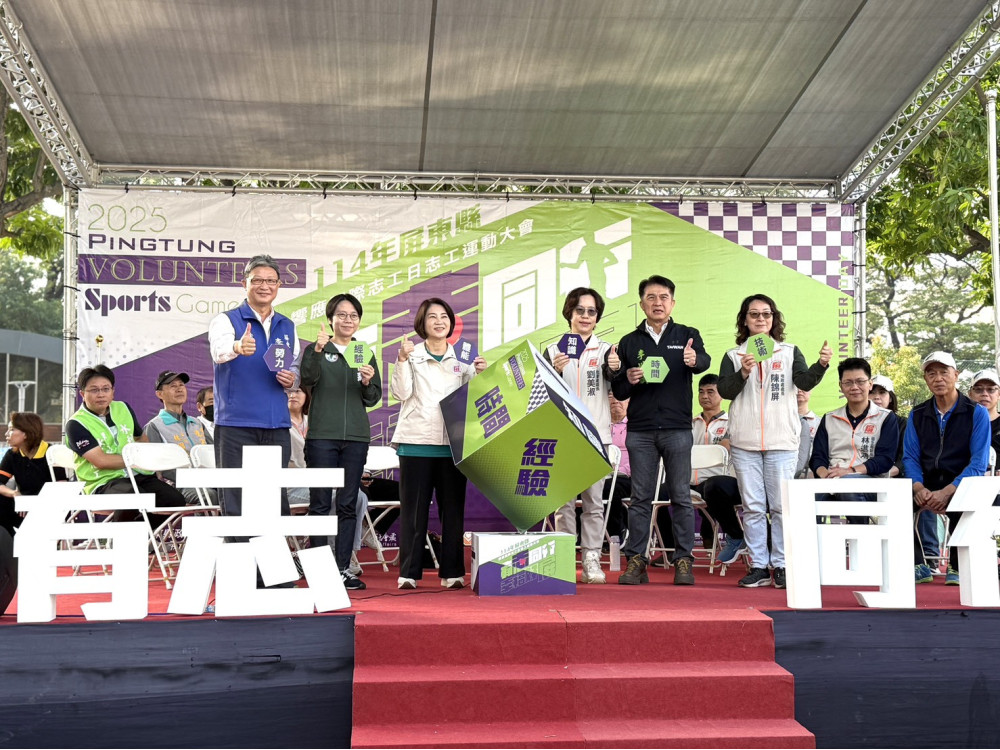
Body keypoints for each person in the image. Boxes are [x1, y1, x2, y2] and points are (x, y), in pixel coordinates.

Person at [717, 293, 831, 589]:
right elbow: (725, 391)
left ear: (773, 319)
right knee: (753, 506)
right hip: (744, 443)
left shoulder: (789, 352)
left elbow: (804, 381)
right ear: (744, 320)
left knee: (780, 506)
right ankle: (758, 566)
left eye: (766, 314)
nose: (760, 319)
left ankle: (781, 564)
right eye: (754, 314)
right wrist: (744, 371)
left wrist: (821, 364)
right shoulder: (733, 355)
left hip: (782, 442)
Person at [608, 275, 710, 586]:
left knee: (680, 496)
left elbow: (704, 362)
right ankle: (637, 560)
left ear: (672, 303)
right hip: (640, 430)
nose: (657, 303)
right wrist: (627, 377)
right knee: (640, 497)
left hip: (677, 428)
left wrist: (695, 359)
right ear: (641, 304)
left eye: (664, 297)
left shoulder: (687, 335)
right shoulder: (629, 341)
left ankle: (683, 560)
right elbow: (619, 389)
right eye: (651, 297)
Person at [390, 297, 485, 590]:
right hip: (416, 442)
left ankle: (453, 572)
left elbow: (475, 398)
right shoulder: (412, 355)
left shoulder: (463, 359)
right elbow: (400, 393)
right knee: (413, 512)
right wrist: (401, 360)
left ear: (451, 323)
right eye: (432, 317)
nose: (439, 321)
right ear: (422, 323)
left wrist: (482, 375)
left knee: (452, 511)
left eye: (444, 316)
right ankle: (409, 573)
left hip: (452, 445)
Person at [300, 293, 382, 591]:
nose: (348, 320)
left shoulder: (363, 351)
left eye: (353, 316)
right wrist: (318, 349)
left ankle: (343, 568)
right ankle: (318, 569)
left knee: (348, 503)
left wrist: (367, 381)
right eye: (342, 315)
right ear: (330, 319)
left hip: (356, 438)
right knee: (320, 503)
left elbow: (373, 398)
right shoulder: (318, 349)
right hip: (322, 436)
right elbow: (306, 380)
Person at [209, 255, 300, 521]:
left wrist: (291, 380)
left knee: (272, 499)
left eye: (271, 281)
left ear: (279, 285)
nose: (264, 286)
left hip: (276, 423)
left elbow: (294, 366)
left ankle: (272, 549)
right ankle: (237, 549)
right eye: (257, 280)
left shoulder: (287, 325)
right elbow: (218, 350)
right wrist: (237, 346)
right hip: (236, 423)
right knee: (236, 499)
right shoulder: (227, 320)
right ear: (244, 283)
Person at [543, 287, 615, 584]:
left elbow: (619, 387)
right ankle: (563, 560)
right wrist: (555, 372)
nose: (585, 316)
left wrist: (616, 369)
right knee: (563, 503)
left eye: (591, 312)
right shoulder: (552, 351)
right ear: (569, 314)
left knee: (594, 502)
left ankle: (591, 559)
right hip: (563, 436)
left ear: (597, 318)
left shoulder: (608, 350)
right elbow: (540, 396)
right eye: (580, 310)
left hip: (596, 435)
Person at [905, 351, 990, 586]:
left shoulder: (976, 412)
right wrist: (918, 487)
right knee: (896, 503)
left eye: (944, 372)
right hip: (925, 482)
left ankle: (957, 564)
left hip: (959, 482)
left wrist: (948, 490)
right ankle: (917, 564)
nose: (938, 378)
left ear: (956, 375)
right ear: (925, 379)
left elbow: (978, 463)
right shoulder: (917, 414)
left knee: (967, 502)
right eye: (931, 373)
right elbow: (910, 457)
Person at [64, 365, 186, 524]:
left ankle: (144, 534)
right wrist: (137, 460)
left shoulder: (123, 408)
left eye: (106, 389)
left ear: (113, 391)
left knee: (174, 499)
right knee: (134, 497)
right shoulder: (76, 424)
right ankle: (123, 537)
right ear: (82, 394)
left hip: (137, 475)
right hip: (102, 483)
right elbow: (101, 461)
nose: (101, 394)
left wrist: (145, 461)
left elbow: (141, 438)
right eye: (94, 390)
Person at [808, 358, 898, 523]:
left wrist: (849, 471)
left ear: (869, 384)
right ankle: (814, 540)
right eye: (848, 383)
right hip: (832, 478)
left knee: (848, 485)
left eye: (860, 381)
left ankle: (862, 536)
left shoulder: (885, 417)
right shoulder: (830, 418)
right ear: (840, 386)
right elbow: (818, 457)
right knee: (807, 493)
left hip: (872, 481)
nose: (854, 387)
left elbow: (885, 460)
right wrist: (824, 475)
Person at [691, 374, 745, 565]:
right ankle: (670, 548)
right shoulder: (690, 423)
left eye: (710, 392)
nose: (705, 396)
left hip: (717, 482)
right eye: (701, 392)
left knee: (712, 487)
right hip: (689, 481)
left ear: (721, 394)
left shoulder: (732, 422)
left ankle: (733, 536)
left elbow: (725, 448)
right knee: (660, 492)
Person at [144, 370, 213, 504]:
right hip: (177, 485)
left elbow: (213, 451)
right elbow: (156, 468)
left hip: (207, 479)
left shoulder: (197, 423)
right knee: (209, 496)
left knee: (233, 492)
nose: (179, 389)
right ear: (160, 394)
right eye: (173, 386)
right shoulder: (154, 426)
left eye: (181, 385)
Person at [1, 412, 68, 536]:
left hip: (47, 508)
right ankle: (13, 541)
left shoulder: (51, 453)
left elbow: (61, 487)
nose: (6, 434)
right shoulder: (12, 455)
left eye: (11, 429)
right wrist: (15, 494)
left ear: (26, 433)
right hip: (22, 508)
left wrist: (33, 504)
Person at [285, 387, 310, 509]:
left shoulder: (314, 421)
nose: (292, 395)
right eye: (288, 391)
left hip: (315, 482)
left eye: (297, 391)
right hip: (291, 487)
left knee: (357, 496)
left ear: (306, 395)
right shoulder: (279, 424)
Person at [795, 389, 820, 478]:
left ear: (811, 390)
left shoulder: (820, 423)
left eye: (804, 388)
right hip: (788, 473)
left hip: (812, 475)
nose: (799, 390)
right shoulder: (782, 422)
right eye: (796, 387)